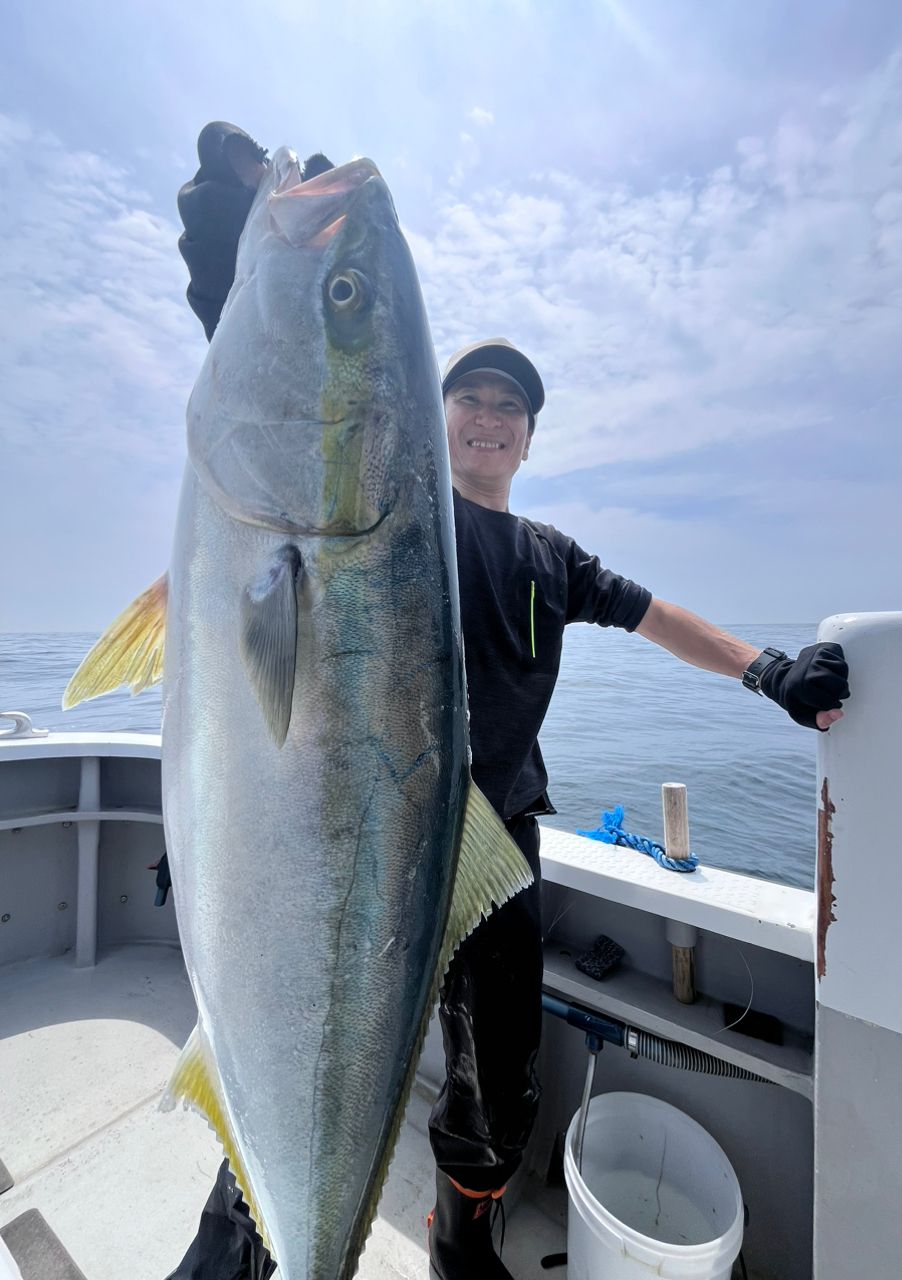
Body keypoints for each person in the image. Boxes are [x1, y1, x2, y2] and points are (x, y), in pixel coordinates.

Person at [167, 125, 850, 1280]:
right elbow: (294, 431)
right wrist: (231, 284)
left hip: (493, 841)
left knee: (501, 1073)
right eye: (469, 397)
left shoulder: (549, 551)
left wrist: (765, 669)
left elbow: (656, 614)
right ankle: (238, 1232)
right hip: (361, 835)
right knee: (289, 1010)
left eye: (510, 406)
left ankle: (465, 1232)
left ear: (529, 436)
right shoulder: (394, 507)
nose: (487, 416)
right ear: (433, 417)